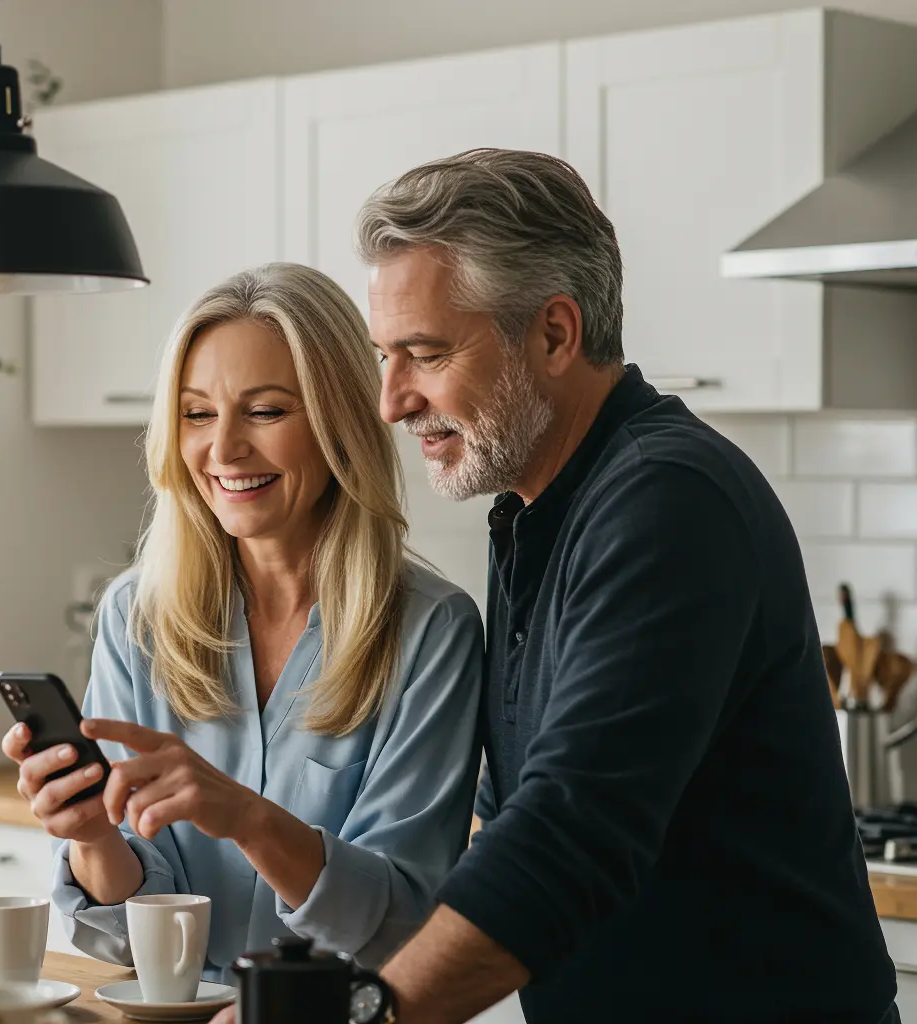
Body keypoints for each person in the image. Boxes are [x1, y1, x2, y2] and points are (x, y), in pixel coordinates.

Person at [351, 148, 898, 1024]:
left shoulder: (665, 501)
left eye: (422, 353)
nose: (391, 401)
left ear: (556, 333)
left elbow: (571, 833)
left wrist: (362, 1015)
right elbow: (516, 813)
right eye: (385, 355)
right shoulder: (534, 509)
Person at [1, 263, 483, 979]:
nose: (223, 449)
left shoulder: (432, 631)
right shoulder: (136, 616)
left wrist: (250, 820)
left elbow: (401, 923)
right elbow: (134, 939)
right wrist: (93, 836)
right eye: (197, 413)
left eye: (264, 411)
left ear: (338, 423)